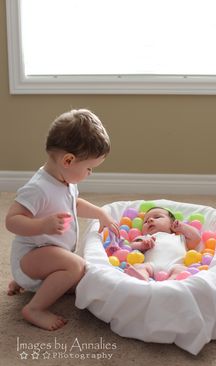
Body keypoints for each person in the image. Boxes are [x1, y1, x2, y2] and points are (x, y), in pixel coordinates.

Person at [5, 108, 119, 331]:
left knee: (81, 276)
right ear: (68, 160)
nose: (90, 173)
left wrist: (100, 213)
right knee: (76, 265)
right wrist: (42, 225)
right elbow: (11, 220)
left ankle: (30, 284)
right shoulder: (38, 188)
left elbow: (74, 204)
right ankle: (34, 308)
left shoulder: (65, 181)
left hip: (44, 257)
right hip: (29, 258)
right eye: (88, 168)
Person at [124, 207, 201, 281]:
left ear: (172, 223)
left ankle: (172, 282)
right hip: (151, 265)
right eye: (145, 221)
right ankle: (142, 277)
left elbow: (196, 238)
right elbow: (131, 245)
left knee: (182, 271)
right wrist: (142, 245)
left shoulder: (180, 237)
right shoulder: (146, 237)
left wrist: (182, 227)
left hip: (175, 265)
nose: (150, 220)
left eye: (157, 217)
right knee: (139, 267)